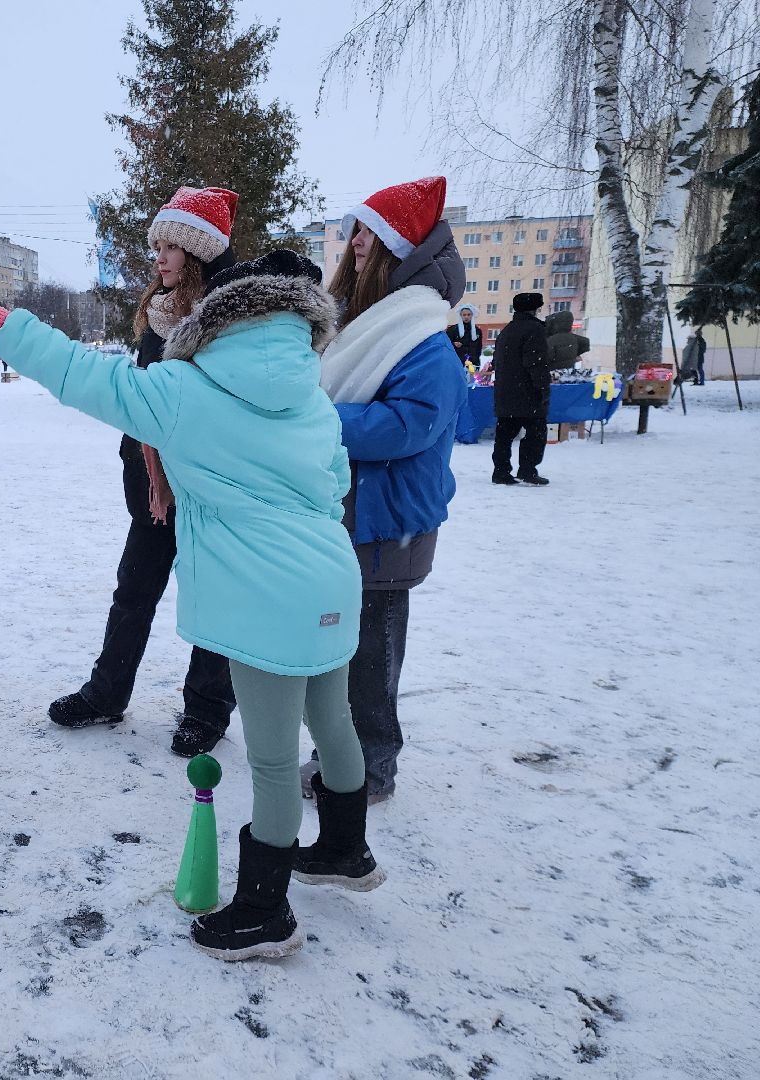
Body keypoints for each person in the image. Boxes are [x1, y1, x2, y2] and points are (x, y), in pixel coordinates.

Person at [0, 249, 384, 963]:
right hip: (330, 577)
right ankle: (346, 849)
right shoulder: (311, 393)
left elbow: (82, 374)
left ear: (215, 321)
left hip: (267, 597)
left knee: (269, 764)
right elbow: (335, 482)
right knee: (332, 719)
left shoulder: (181, 389)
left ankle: (265, 914)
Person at [47, 186, 239, 758]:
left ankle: (207, 710)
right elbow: (141, 400)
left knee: (211, 602)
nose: (159, 257)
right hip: (153, 489)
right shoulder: (159, 312)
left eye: (171, 246)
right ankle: (107, 694)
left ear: (199, 252)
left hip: (207, 487)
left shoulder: (226, 318)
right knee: (132, 593)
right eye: (157, 245)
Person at [311, 176, 468, 805]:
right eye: (354, 234)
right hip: (354, 516)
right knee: (339, 651)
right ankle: (340, 761)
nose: (355, 248)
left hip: (387, 523)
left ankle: (371, 772)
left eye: (370, 238)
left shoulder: (421, 338)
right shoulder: (371, 325)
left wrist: (312, 421)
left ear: (399, 251)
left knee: (369, 662)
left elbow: (408, 426)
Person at [492, 292, 558, 486]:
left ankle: (501, 471)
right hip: (528, 392)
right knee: (535, 433)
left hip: (506, 391)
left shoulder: (507, 330)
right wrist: (543, 388)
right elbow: (536, 363)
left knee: (504, 435)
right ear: (535, 309)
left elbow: (499, 362)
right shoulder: (534, 330)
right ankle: (528, 470)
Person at [545, 308, 590, 373]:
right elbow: (586, 343)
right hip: (569, 371)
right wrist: (576, 354)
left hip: (554, 372)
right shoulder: (575, 338)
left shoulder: (551, 340)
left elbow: (547, 358)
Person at [447, 304, 483, 369]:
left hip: (472, 364)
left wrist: (476, 362)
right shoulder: (453, 329)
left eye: (469, 315)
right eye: (464, 315)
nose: (466, 317)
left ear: (472, 315)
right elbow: (445, 344)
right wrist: (453, 344)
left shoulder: (477, 331)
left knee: (472, 379)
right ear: (460, 316)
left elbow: (479, 348)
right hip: (456, 363)